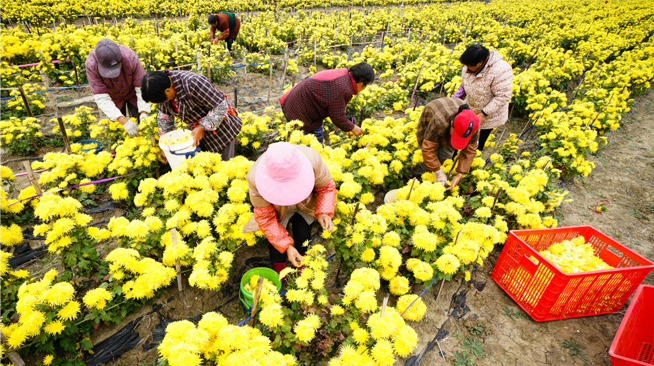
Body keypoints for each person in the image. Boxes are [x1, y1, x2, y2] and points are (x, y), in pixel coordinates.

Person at [242, 142, 336, 273]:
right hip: (278, 209)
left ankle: (302, 263)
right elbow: (266, 218)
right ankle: (280, 269)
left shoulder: (312, 160)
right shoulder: (255, 178)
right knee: (276, 245)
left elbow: (326, 187)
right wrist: (286, 247)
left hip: (306, 203)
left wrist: (323, 211)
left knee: (303, 233)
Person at [140, 70, 242, 161]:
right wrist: (166, 147)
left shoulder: (193, 83)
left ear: (168, 90)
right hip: (196, 134)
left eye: (164, 100)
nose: (163, 103)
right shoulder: (160, 88)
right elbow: (164, 119)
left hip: (221, 130)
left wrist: (202, 127)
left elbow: (221, 106)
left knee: (224, 167)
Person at [278, 62, 375, 143]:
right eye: (366, 85)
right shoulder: (344, 88)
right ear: (361, 82)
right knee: (311, 149)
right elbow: (337, 117)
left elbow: (333, 106)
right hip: (300, 111)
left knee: (316, 136)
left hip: (299, 103)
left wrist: (348, 127)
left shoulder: (345, 75)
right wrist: (353, 128)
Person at [452, 44, 513, 151]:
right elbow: (464, 85)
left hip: (491, 114)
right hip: (471, 108)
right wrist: (452, 100)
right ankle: (456, 155)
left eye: (469, 65)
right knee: (462, 134)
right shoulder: (469, 65)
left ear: (480, 62)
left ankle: (474, 159)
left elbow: (502, 96)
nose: (466, 68)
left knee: (478, 141)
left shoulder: (501, 70)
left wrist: (484, 113)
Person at [85, 38, 150, 137]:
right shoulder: (92, 65)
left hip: (133, 92)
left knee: (142, 125)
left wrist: (144, 112)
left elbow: (142, 87)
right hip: (111, 96)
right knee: (118, 129)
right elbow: (101, 96)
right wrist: (124, 121)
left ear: (121, 60)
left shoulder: (130, 57)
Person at [416, 97, 480, 189]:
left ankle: (441, 176)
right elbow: (427, 147)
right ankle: (418, 174)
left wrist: (459, 175)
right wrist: (438, 171)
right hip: (434, 110)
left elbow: (470, 151)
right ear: (451, 124)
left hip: (453, 111)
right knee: (422, 149)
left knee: (447, 152)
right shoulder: (439, 121)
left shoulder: (474, 126)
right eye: (456, 135)